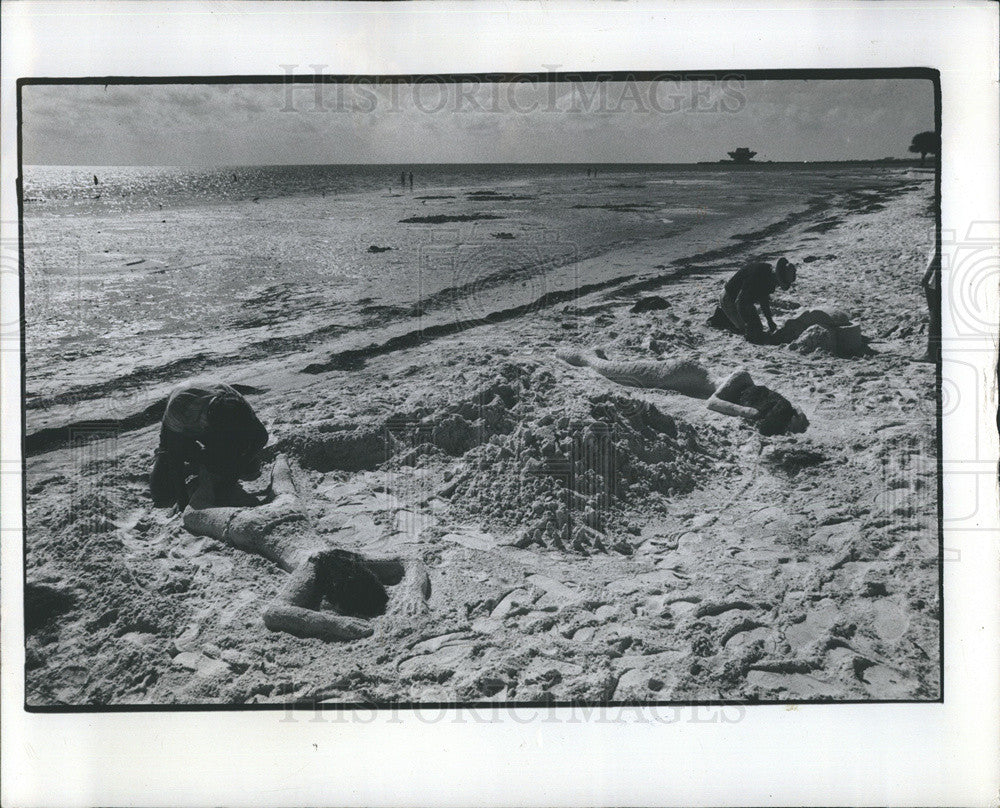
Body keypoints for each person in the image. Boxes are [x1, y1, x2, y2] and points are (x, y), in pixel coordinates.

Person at [556, 349, 807, 436]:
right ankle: (576, 354)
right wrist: (745, 412)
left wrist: (794, 415)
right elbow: (712, 403)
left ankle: (595, 354)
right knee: (606, 370)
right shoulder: (740, 376)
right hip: (675, 373)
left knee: (615, 370)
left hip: (681, 377)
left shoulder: (750, 386)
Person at [149, 381, 268, 509]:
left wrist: (237, 469)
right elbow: (174, 457)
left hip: (214, 424)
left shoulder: (237, 404)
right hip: (181, 426)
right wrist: (182, 498)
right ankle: (195, 463)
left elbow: (261, 436)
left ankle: (205, 463)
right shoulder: (180, 409)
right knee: (160, 493)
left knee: (250, 468)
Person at [719, 257, 796, 343]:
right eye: (779, 282)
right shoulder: (757, 276)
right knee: (753, 330)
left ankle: (726, 318)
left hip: (745, 299)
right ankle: (723, 317)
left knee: (755, 326)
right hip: (729, 299)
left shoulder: (768, 275)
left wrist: (769, 320)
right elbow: (740, 302)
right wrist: (747, 327)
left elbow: (763, 298)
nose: (777, 285)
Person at [919, 247, 941, 363]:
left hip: (934, 277)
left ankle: (931, 353)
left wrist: (926, 276)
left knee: (934, 314)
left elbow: (938, 254)